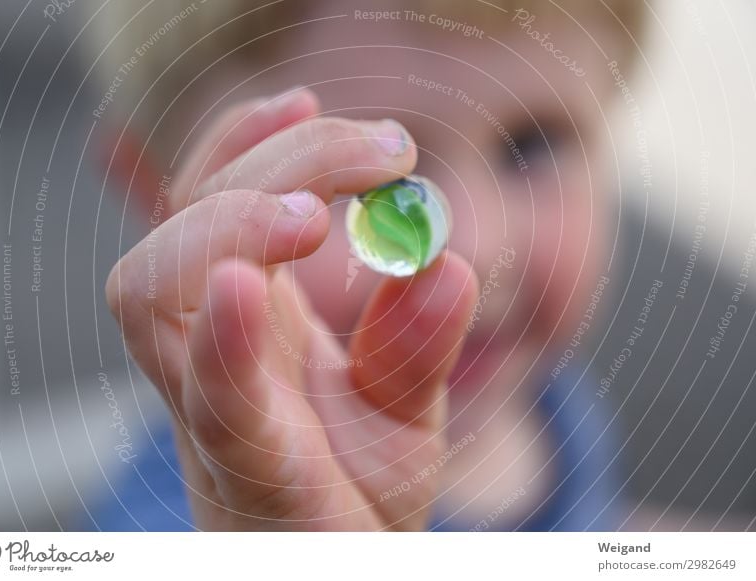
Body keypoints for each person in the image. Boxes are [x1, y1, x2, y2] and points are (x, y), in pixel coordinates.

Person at [91, 0, 647, 530]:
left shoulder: (539, 392)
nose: (472, 249)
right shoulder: (189, 529)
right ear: (160, 200)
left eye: (532, 145)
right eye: (371, 185)